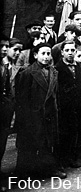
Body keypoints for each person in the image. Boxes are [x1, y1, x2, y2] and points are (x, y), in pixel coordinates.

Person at [15, 43, 66, 180]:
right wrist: (25, 119)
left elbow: (56, 94)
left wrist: (57, 110)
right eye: (43, 53)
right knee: (31, 143)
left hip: (50, 113)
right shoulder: (27, 73)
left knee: (49, 142)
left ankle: (49, 169)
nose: (46, 57)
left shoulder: (54, 71)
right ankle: (25, 172)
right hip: (34, 115)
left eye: (48, 54)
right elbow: (22, 100)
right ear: (36, 55)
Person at [55, 41, 81, 169]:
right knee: (64, 133)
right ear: (62, 52)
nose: (70, 53)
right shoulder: (58, 68)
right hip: (65, 107)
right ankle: (62, 160)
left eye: (72, 50)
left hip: (78, 105)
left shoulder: (78, 66)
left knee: (75, 132)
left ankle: (72, 157)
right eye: (67, 50)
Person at [0, 36, 14, 192]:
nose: (4, 49)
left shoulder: (5, 65)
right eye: (2, 46)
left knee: (2, 141)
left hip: (4, 109)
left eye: (6, 46)